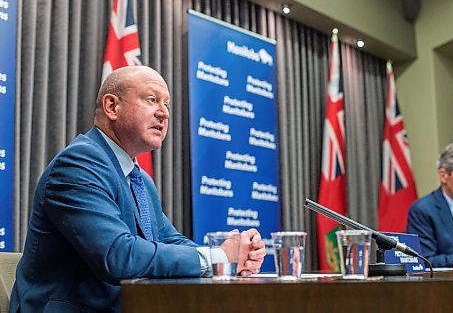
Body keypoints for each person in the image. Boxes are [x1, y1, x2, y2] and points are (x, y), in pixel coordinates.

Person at [9, 66, 266, 313]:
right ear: (112, 107)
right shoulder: (78, 164)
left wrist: (229, 255)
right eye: (152, 99)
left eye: (166, 104)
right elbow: (117, 255)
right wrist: (217, 256)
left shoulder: (138, 177)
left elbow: (168, 241)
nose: (163, 113)